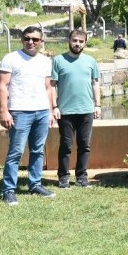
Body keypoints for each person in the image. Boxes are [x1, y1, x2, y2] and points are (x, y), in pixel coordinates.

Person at [0, 26, 56, 205]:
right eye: (27, 38)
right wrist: (4, 110)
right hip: (20, 111)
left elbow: (48, 87)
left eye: (35, 39)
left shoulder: (46, 61)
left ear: (41, 42)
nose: (31, 42)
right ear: (22, 40)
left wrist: (51, 110)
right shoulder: (11, 59)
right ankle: (8, 190)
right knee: (15, 152)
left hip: (41, 112)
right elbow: (2, 86)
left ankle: (35, 184)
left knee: (38, 151)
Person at [51, 28, 101, 189]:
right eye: (75, 40)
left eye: (81, 41)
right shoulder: (58, 60)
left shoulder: (91, 61)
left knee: (84, 144)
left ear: (85, 43)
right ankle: (63, 177)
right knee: (66, 145)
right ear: (69, 41)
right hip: (65, 111)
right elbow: (52, 85)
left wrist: (98, 105)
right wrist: (54, 106)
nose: (77, 44)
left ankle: (82, 176)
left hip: (86, 110)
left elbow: (95, 84)